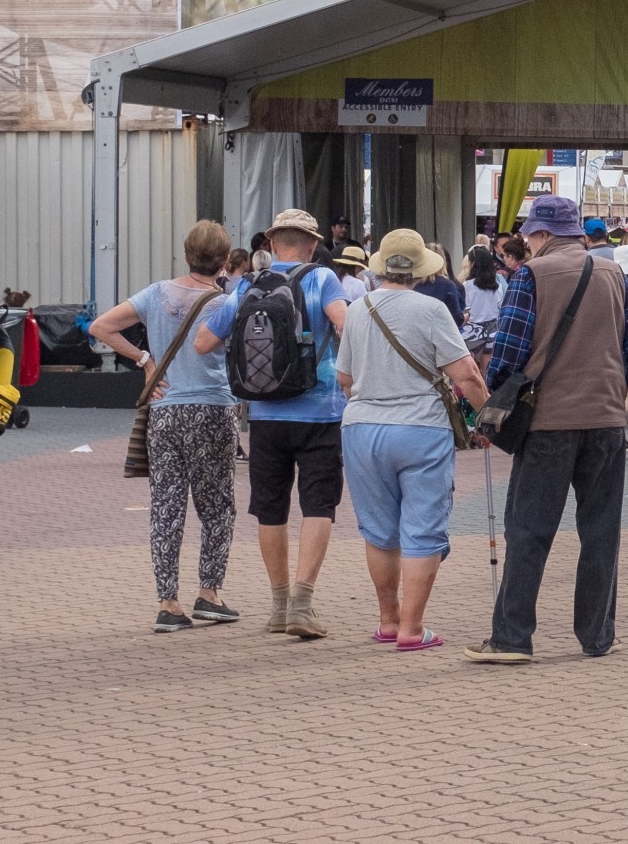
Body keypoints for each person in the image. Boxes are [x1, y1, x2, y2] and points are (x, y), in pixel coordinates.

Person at [466, 194, 628, 664]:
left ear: (540, 234)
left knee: (529, 529)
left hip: (548, 424)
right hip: (605, 421)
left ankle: (513, 638)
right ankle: (598, 636)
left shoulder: (530, 276)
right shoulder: (614, 274)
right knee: (600, 531)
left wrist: (499, 397)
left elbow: (509, 355)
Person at [190, 207, 351, 640]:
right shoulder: (322, 279)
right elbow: (345, 324)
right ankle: (302, 600)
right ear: (313, 245)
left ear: (272, 243)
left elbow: (204, 343)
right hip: (320, 411)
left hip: (263, 414)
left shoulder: (245, 286)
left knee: (270, 509)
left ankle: (278, 604)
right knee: (319, 504)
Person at [338, 228, 490, 653]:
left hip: (362, 428)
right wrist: (490, 418)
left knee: (379, 531)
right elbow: (466, 374)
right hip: (421, 428)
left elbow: (345, 379)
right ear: (421, 269)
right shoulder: (431, 309)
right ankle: (412, 627)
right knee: (422, 529)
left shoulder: (356, 309)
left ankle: (388, 620)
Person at [89, 220, 240, 632]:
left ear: (186, 254)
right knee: (217, 506)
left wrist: (144, 360)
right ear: (225, 261)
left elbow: (99, 326)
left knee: (166, 507)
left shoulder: (156, 294)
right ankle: (209, 593)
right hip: (213, 408)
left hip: (166, 410)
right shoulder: (226, 303)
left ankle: (167, 602)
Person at [459, 243, 509, 353]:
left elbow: (464, 309)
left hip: (473, 333)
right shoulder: (498, 283)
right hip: (495, 330)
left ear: (472, 263)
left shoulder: (467, 285)